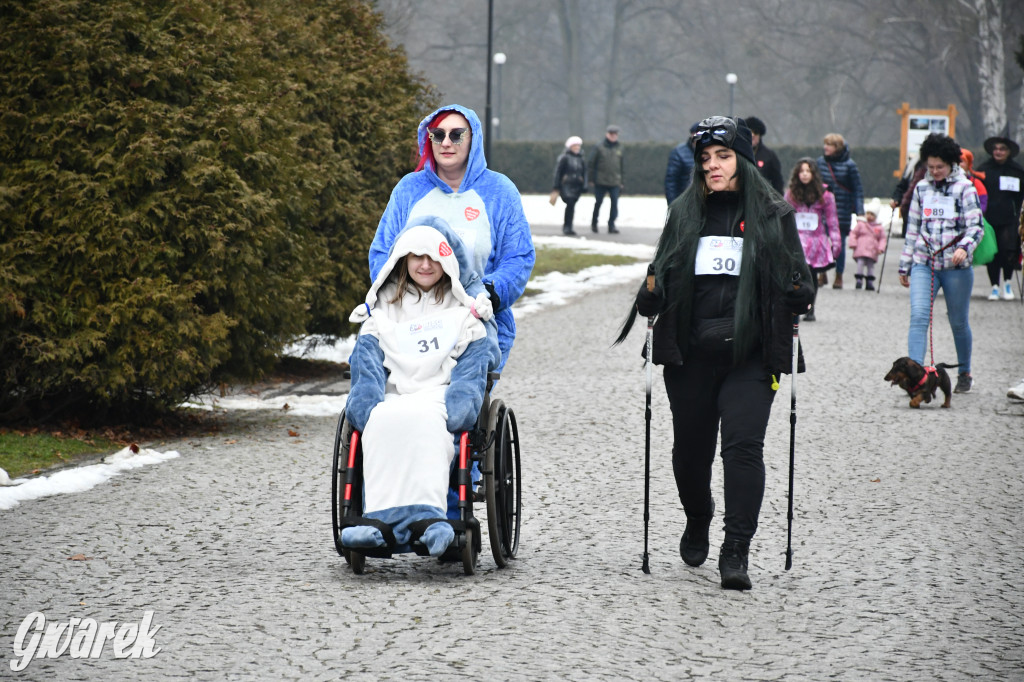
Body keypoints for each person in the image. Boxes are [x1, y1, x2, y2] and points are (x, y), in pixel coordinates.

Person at [614, 116, 814, 591]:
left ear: (744, 160)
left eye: (723, 157)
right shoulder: (685, 212)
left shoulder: (774, 214)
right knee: (690, 454)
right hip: (691, 354)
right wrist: (651, 297)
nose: (712, 166)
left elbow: (802, 283)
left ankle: (736, 549)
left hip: (751, 354)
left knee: (743, 449)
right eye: (705, 159)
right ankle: (698, 517)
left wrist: (797, 292)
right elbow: (656, 277)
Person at [342, 220, 501, 556]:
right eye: (416, 256)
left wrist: (462, 403)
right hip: (394, 394)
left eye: (433, 257)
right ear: (402, 259)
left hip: (439, 395)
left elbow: (477, 358)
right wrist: (366, 399)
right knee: (378, 422)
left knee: (427, 425)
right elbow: (366, 356)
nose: (425, 264)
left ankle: (429, 519)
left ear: (447, 261)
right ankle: (377, 520)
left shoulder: (463, 307)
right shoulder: (385, 306)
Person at [369, 104, 536, 373]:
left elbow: (518, 257)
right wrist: (398, 296)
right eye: (438, 134)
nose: (446, 142)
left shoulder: (500, 192)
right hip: (409, 323)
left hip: (476, 325)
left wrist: (489, 294)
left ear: (473, 139)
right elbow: (381, 252)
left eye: (457, 135)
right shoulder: (409, 190)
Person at [898, 133, 983, 394]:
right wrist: (905, 264)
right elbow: (912, 228)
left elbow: (976, 227)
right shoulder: (922, 189)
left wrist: (964, 247)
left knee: (958, 321)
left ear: (951, 164)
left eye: (940, 167)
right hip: (925, 263)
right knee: (919, 316)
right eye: (930, 166)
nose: (934, 171)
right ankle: (916, 377)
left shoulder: (965, 188)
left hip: (956, 268)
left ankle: (965, 372)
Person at [784, 158, 839, 320]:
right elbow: (785, 218)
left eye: (808, 171)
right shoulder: (791, 194)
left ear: (814, 174)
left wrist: (836, 243)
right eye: (802, 171)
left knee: (812, 276)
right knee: (797, 275)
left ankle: (810, 308)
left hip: (816, 241)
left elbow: (832, 221)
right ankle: (797, 305)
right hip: (797, 241)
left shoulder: (825, 195)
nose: (805, 174)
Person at [976, 132, 1024, 301]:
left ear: (1009, 151)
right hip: (990, 218)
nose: (998, 152)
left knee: (1008, 250)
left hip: (1011, 218)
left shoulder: (1018, 171)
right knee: (993, 253)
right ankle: (994, 286)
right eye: (995, 149)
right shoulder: (984, 170)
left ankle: (1008, 283)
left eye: (1002, 149)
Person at [817, 133, 864, 289]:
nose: (825, 147)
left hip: (842, 210)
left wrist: (860, 212)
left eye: (829, 144)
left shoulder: (850, 165)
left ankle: (839, 275)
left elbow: (857, 189)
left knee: (839, 244)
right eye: (825, 144)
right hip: (822, 209)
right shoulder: (820, 163)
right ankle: (821, 273)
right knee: (822, 241)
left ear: (837, 148)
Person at [588, 124, 624, 233]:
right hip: (600, 181)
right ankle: (594, 222)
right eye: (611, 134)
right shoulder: (599, 147)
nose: (613, 136)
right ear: (607, 134)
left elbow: (621, 166)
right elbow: (591, 163)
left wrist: (622, 181)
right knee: (598, 202)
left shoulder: (620, 147)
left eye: (615, 134)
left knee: (614, 203)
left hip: (615, 181)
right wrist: (591, 179)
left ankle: (611, 225)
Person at [550, 135, 587, 236]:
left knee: (572, 206)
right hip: (566, 185)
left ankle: (569, 226)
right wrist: (556, 185)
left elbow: (584, 173)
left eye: (578, 146)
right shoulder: (564, 158)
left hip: (577, 186)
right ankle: (567, 227)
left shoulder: (581, 159)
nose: (577, 148)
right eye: (575, 146)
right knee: (570, 203)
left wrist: (584, 185)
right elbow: (558, 172)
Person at [848, 199, 887, 291]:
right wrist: (853, 243)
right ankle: (859, 279)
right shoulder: (861, 224)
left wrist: (881, 248)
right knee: (860, 264)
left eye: (872, 214)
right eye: (868, 214)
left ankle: (869, 281)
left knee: (870, 265)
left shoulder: (879, 227)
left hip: (872, 250)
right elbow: (853, 233)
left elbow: (882, 239)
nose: (869, 216)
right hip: (861, 249)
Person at [745, 116, 784, 193]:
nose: (752, 135)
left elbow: (777, 182)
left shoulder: (769, 156)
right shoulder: (737, 154)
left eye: (755, 132)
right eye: (749, 132)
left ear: (760, 135)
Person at [664, 122, 700, 204]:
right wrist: (673, 205)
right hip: (684, 201)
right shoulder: (679, 152)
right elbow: (671, 182)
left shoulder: (709, 153)